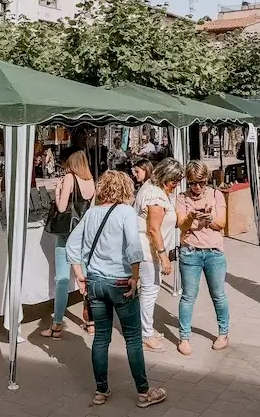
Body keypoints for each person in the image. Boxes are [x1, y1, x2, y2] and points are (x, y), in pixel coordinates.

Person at [66, 171, 168, 409]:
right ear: (125, 188)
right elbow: (133, 246)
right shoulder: (125, 212)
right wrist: (135, 276)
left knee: (101, 338)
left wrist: (80, 275)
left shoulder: (91, 213)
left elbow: (72, 244)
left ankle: (101, 390)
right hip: (120, 282)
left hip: (96, 281)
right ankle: (144, 392)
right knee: (132, 338)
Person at [174, 161, 229, 356]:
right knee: (188, 296)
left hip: (214, 252)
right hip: (190, 252)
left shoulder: (216, 195)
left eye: (201, 183)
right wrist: (191, 217)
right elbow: (181, 225)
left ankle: (223, 333)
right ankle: (184, 337)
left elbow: (222, 223)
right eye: (192, 183)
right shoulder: (182, 198)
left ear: (207, 180)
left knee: (218, 295)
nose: (197, 188)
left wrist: (209, 219)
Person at [41, 150, 95, 339]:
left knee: (62, 280)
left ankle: (57, 325)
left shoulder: (70, 178)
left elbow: (62, 207)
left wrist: (56, 193)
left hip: (66, 234)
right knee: (86, 277)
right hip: (84, 234)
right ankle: (91, 322)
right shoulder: (90, 181)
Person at [134, 157, 183, 352]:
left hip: (148, 248)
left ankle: (147, 329)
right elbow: (153, 229)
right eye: (174, 180)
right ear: (165, 177)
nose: (176, 184)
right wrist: (164, 258)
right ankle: (145, 334)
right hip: (148, 250)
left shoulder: (153, 188)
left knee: (148, 291)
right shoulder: (155, 196)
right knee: (150, 291)